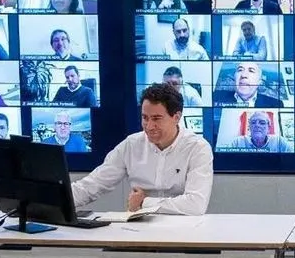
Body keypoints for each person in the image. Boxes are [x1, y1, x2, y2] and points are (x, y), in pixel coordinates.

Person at [71, 83, 213, 214]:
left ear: (176, 117)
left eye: (156, 118)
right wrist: (60, 199)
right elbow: (93, 185)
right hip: (138, 227)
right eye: (145, 118)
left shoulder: (198, 148)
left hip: (184, 228)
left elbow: (196, 204)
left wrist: (144, 202)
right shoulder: (131, 144)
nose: (149, 126)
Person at [213, 61, 282, 107]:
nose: (244, 75)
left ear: (259, 81)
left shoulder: (276, 104)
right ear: (234, 77)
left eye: (251, 71)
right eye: (240, 70)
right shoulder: (215, 96)